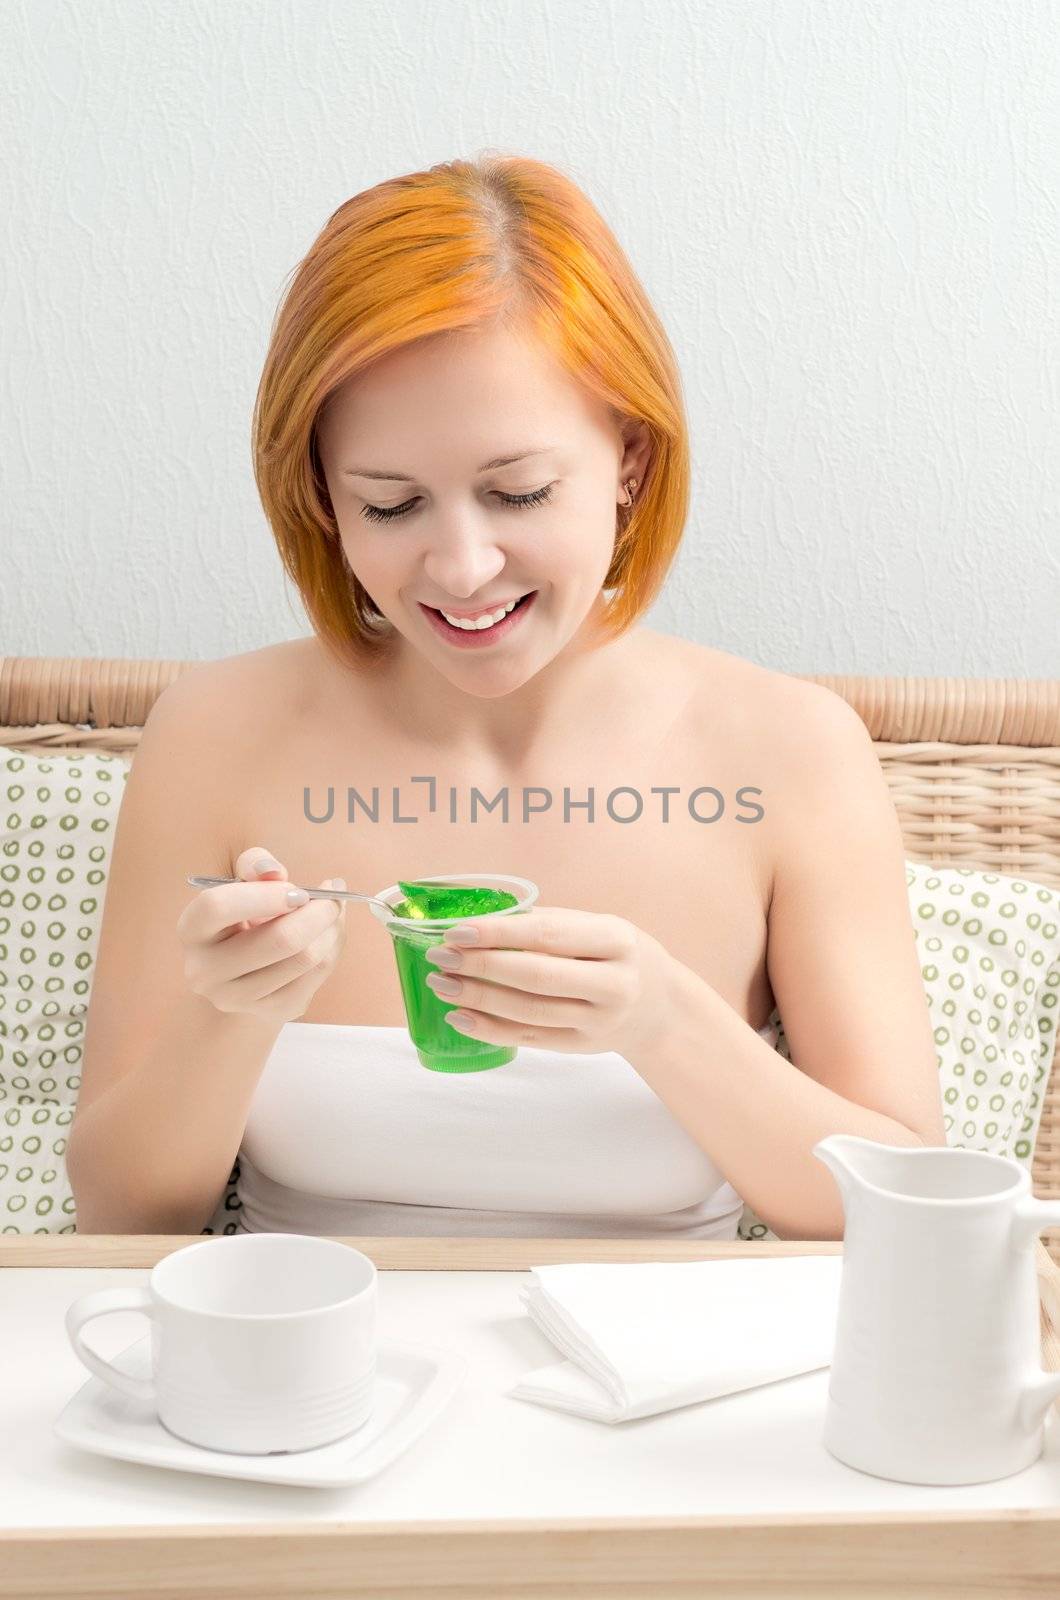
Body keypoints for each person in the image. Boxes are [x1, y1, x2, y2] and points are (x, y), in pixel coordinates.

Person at [67, 153, 946, 1239]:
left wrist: (668, 1022)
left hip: (676, 1392)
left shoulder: (787, 750)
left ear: (628, 457)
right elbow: (119, 1212)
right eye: (391, 505)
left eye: (517, 491)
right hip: (312, 1385)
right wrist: (228, 1015)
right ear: (319, 497)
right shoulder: (215, 733)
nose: (462, 566)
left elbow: (909, 1208)